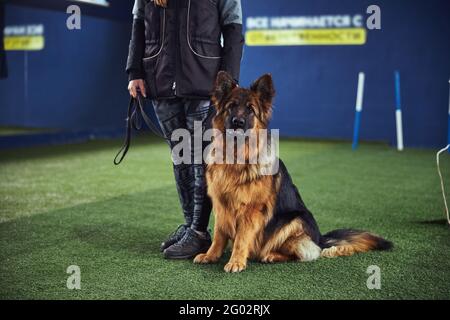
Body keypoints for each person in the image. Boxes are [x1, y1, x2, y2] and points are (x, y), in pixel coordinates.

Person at [126, 0, 244, 259]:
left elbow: (233, 28)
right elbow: (138, 25)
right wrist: (135, 71)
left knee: (202, 160)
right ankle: (191, 225)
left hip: (205, 83)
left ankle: (199, 232)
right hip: (160, 80)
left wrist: (229, 79)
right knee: (181, 158)